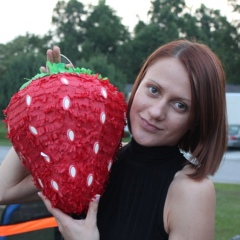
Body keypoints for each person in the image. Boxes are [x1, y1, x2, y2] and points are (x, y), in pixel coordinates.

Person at [0, 39, 227, 240]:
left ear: (196, 120)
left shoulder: (192, 191)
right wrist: (52, 106)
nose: (157, 112)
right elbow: (4, 191)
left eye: (180, 105)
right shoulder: (101, 161)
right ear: (137, 86)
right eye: (154, 90)